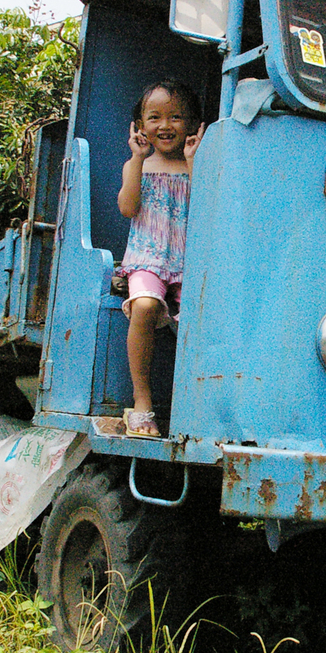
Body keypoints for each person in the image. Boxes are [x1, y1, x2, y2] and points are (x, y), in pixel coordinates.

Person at [115, 79, 205, 437]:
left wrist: (194, 161)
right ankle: (142, 402)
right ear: (140, 125)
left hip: (188, 262)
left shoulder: (197, 165)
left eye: (176, 117)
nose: (165, 126)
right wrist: (137, 159)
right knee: (146, 305)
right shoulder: (136, 165)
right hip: (147, 260)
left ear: (192, 124)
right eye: (154, 118)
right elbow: (127, 208)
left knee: (204, 315)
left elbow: (206, 208)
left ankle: (197, 408)